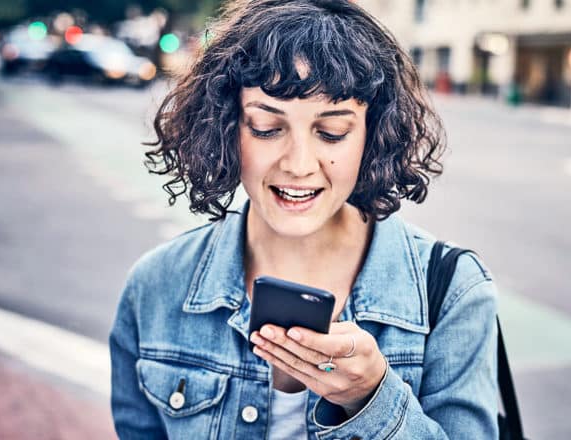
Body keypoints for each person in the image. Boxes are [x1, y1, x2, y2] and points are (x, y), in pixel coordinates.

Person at [109, 0, 499, 438]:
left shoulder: (453, 291)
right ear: (224, 126)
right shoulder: (156, 286)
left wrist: (371, 398)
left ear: (373, 136)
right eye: (265, 127)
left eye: (332, 132)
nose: (298, 164)